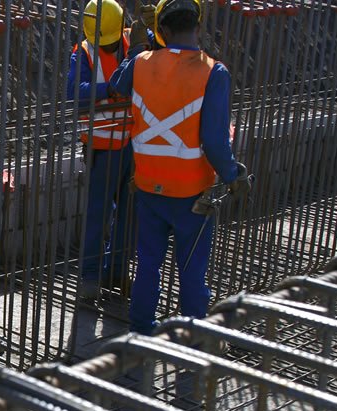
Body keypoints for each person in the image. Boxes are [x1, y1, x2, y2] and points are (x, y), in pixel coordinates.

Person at [107, 0, 250, 335]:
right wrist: (234, 175)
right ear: (198, 27)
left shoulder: (141, 63)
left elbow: (117, 85)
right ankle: (192, 337)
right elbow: (215, 142)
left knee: (148, 264)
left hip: (147, 187)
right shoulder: (214, 72)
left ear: (163, 31)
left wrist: (141, 45)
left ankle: (141, 332)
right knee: (190, 269)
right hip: (191, 194)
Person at [68, 0, 155, 304]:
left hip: (133, 143)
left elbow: (162, 55)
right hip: (102, 149)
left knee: (131, 215)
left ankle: (116, 270)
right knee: (98, 216)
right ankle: (90, 277)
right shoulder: (85, 51)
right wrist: (111, 89)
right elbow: (75, 94)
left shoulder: (134, 40)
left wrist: (154, 28)